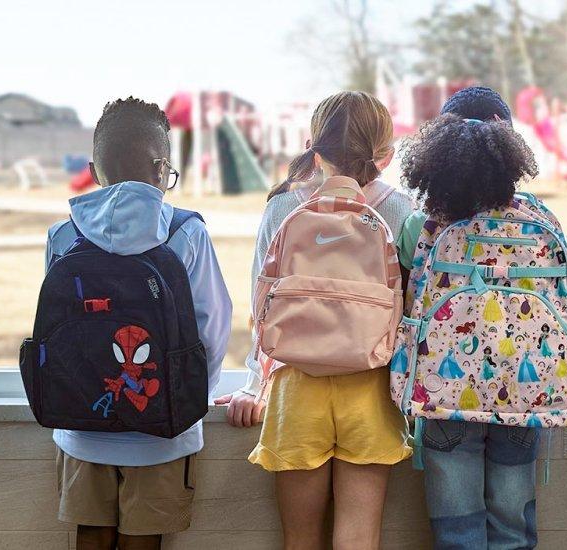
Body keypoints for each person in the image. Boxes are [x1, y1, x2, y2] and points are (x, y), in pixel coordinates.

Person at [216, 91, 413, 550]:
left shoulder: (284, 207)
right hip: (371, 385)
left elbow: (260, 301)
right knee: (358, 538)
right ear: (386, 154)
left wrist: (253, 385)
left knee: (300, 538)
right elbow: (411, 306)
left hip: (296, 387)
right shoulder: (400, 210)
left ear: (313, 147)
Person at [46, 97, 232, 550]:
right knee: (144, 541)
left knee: (90, 535)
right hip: (163, 433)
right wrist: (187, 402)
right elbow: (212, 326)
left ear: (95, 167)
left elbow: (56, 329)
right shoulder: (186, 233)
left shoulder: (64, 234)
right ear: (161, 167)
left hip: (82, 426)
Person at [398, 86, 541, 550]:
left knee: (458, 534)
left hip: (444, 391)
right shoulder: (540, 220)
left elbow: (407, 298)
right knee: (513, 531)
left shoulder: (424, 224)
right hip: (526, 391)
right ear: (510, 150)